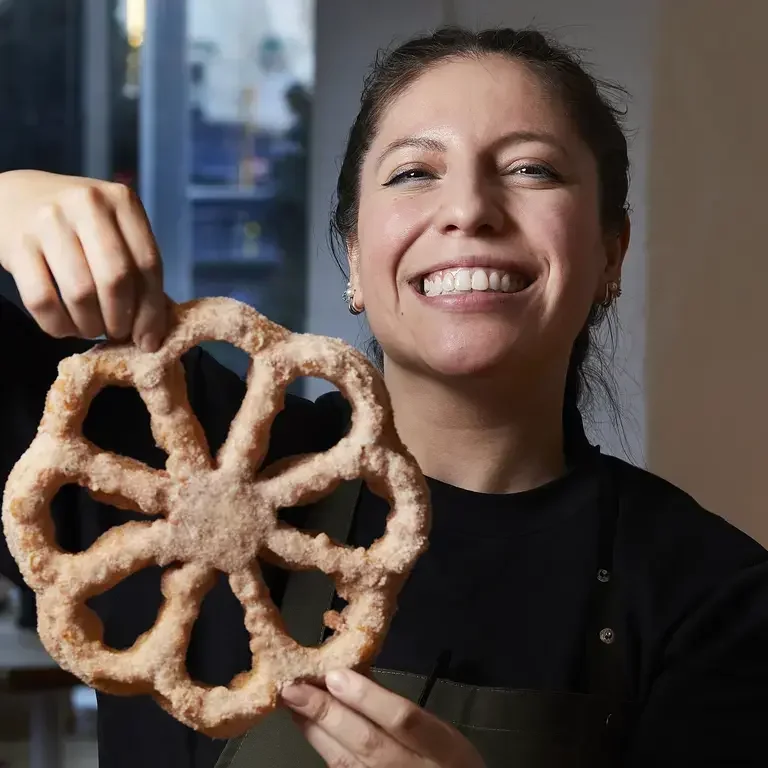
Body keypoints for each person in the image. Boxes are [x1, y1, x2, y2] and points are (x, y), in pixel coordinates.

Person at [1, 25, 767, 768]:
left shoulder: (713, 598)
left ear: (611, 252)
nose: (469, 208)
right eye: (414, 173)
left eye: (532, 169)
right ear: (358, 258)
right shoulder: (166, 454)